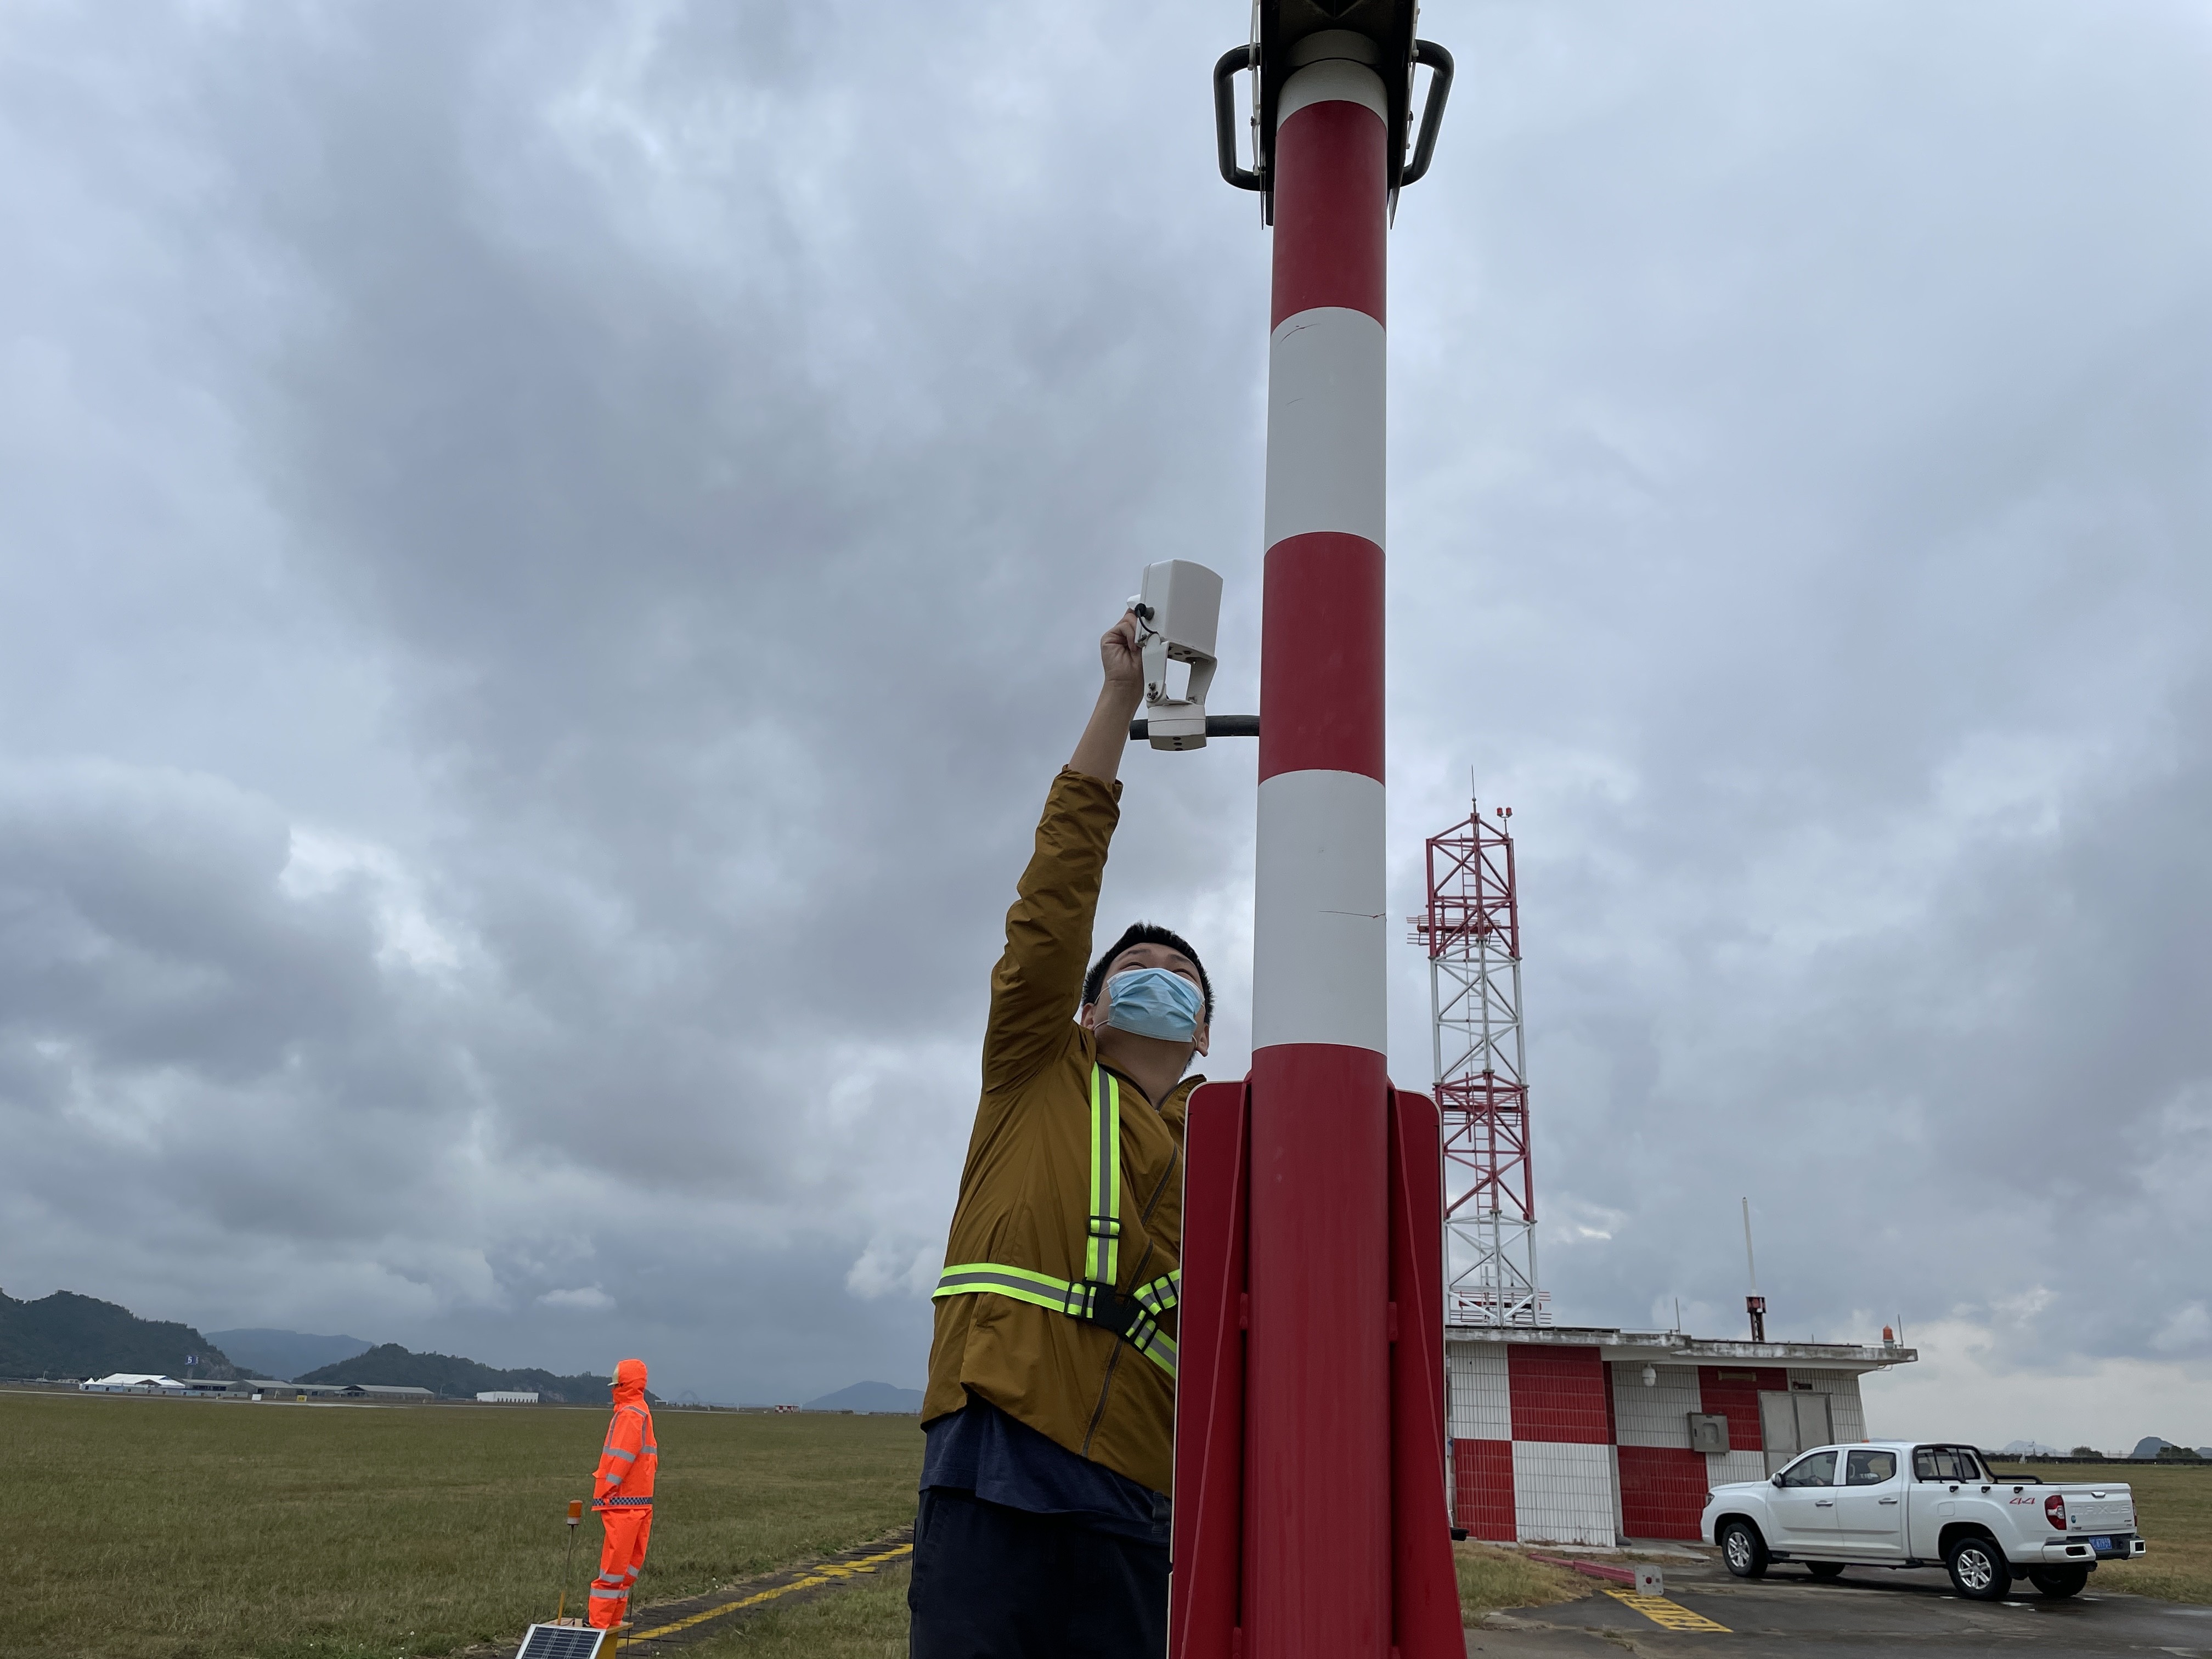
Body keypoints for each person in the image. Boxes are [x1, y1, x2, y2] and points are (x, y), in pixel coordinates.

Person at [909, 609, 1214, 1658]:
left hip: (1138, 1486)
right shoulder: (1034, 1065)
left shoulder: (1222, 1151)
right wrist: (1119, 699)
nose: (1160, 977)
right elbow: (1055, 895)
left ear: (1205, 1030)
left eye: (1182, 977)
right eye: (1135, 968)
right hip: (995, 1450)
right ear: (1087, 1008)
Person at [588, 1357, 658, 1630]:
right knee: (626, 1570)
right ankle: (611, 1621)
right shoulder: (642, 1411)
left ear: (622, 1384)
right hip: (639, 1502)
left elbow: (622, 1457)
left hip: (622, 1503)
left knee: (613, 1570)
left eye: (615, 1383)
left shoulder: (629, 1413)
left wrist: (606, 1489)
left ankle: (600, 1623)